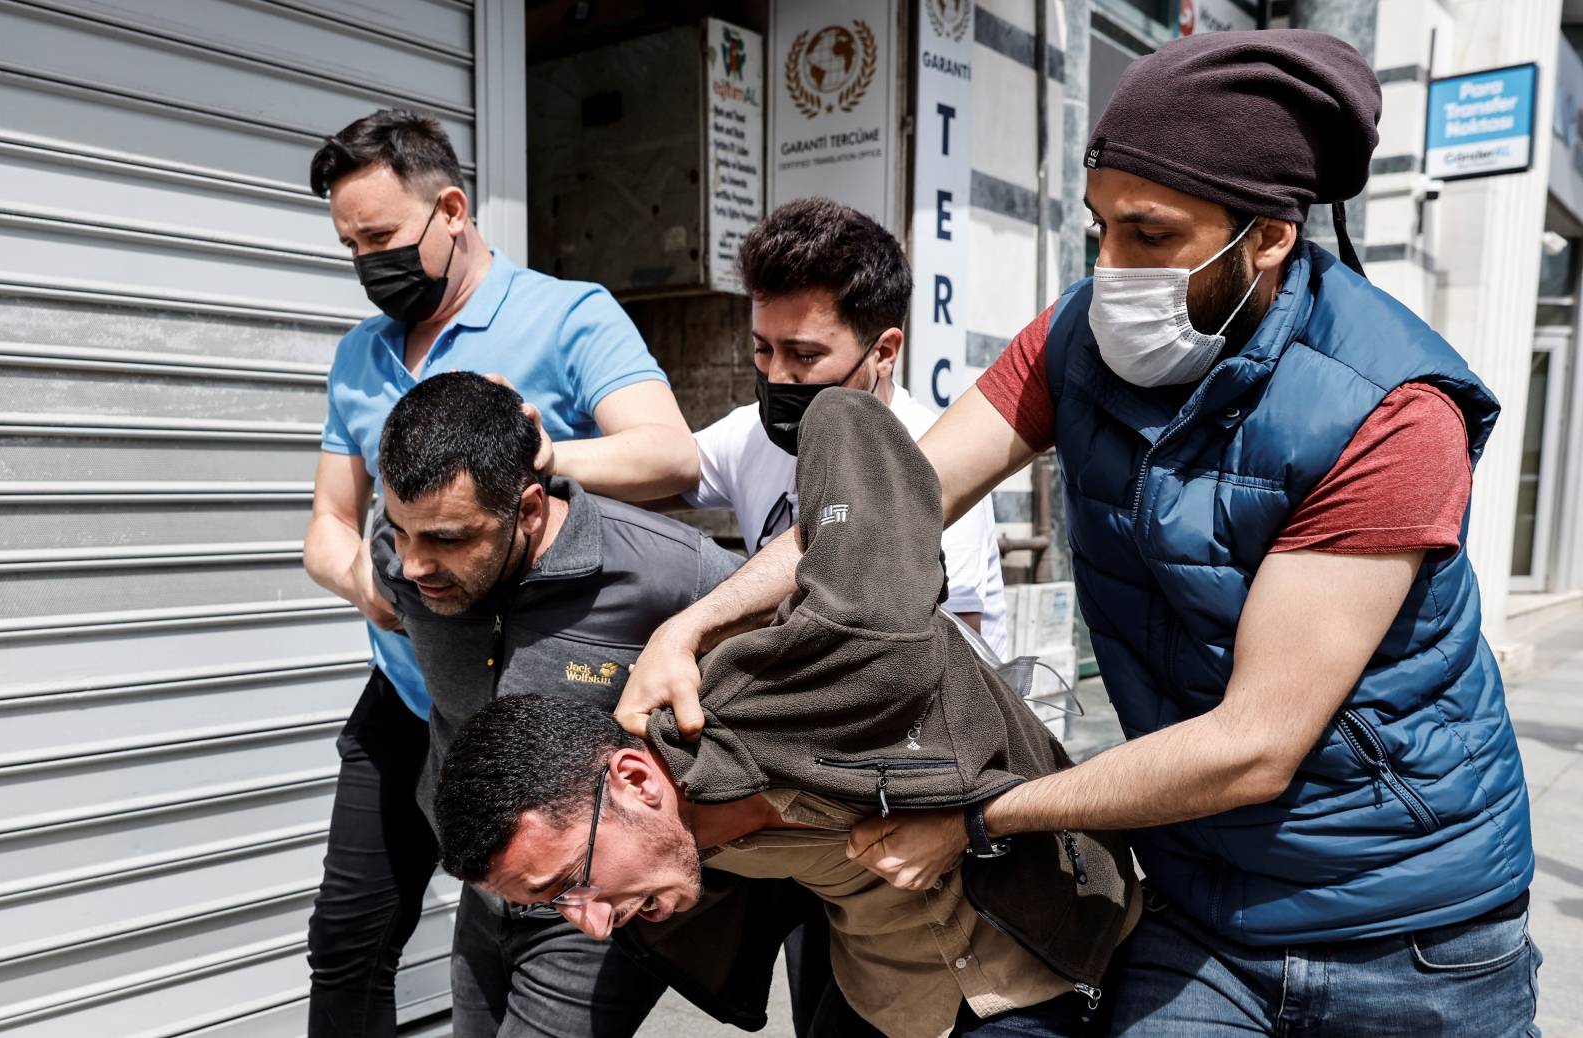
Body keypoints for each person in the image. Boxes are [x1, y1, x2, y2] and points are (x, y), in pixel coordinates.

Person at [617, 30, 1539, 1036]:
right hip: (1199, 905)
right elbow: (880, 519)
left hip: (1410, 928)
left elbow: (1252, 746)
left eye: (1149, 236)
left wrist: (973, 819)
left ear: (1267, 237)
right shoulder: (1072, 338)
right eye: (1098, 229)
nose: (1110, 270)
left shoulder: (1389, 411)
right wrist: (687, 629)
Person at [433, 388, 1140, 1038]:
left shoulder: (793, 686)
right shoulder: (656, 867)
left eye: (572, 883)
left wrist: (684, 626)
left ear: (638, 782)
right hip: (889, 1003)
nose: (589, 926)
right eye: (551, 903)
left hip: (1044, 952)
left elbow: (856, 444)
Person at [301, 108, 698, 1037]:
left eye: (383, 238)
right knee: (349, 936)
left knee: (533, 904)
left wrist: (539, 457)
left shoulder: (566, 316)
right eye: (350, 245)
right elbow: (325, 523)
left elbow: (669, 456)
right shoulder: (360, 357)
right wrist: (374, 584)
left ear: (451, 209)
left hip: (534, 694)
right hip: (412, 690)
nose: (368, 262)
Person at [368, 372, 738, 1037]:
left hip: (594, 904)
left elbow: (796, 655)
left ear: (530, 509)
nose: (416, 564)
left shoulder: (670, 573)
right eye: (402, 532)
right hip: (486, 890)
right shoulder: (402, 557)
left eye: (448, 539)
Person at [677, 197, 1008, 654]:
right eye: (763, 349)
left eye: (805, 356)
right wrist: (551, 455)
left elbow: (944, 651)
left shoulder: (932, 458)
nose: (776, 377)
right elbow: (663, 465)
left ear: (884, 353)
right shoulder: (749, 434)